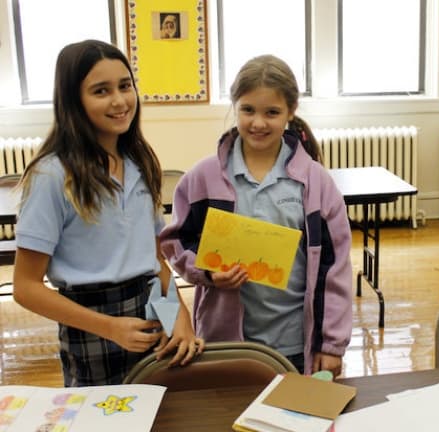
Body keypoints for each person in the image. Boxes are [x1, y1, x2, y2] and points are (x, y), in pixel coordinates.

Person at [12, 40, 204, 387]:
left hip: (149, 321)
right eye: (101, 91)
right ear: (74, 100)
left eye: (125, 86)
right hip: (91, 330)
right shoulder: (52, 175)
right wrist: (109, 327)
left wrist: (178, 317)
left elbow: (155, 262)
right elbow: (25, 287)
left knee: (161, 414)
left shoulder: (140, 163)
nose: (119, 101)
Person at [160, 54, 353, 376]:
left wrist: (330, 345)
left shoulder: (316, 182)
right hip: (224, 341)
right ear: (234, 106)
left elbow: (335, 270)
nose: (258, 122)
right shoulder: (203, 177)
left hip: (294, 342)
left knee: (288, 422)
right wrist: (207, 273)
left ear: (291, 112)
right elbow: (176, 241)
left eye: (272, 112)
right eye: (248, 110)